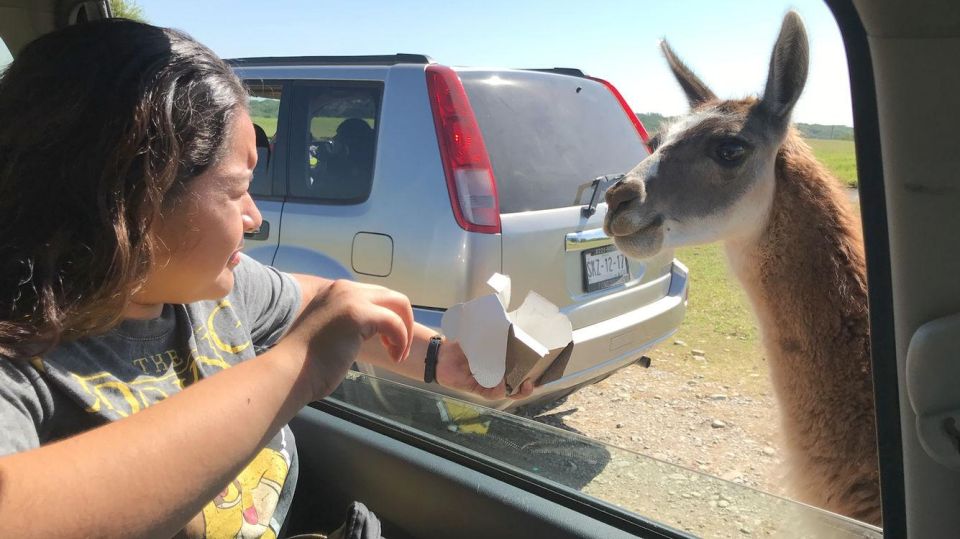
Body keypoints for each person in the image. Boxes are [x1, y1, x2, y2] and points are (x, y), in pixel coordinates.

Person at [0, 19, 532, 538]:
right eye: (236, 191)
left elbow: (329, 304)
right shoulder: (19, 362)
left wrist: (447, 363)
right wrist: (298, 364)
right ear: (131, 198)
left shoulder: (207, 292)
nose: (254, 217)